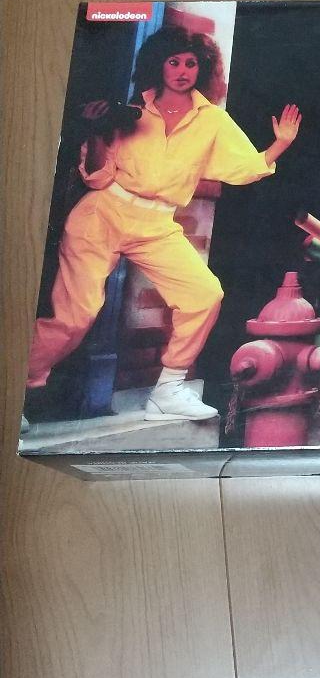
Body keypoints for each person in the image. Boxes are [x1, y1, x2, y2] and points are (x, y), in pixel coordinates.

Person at [24, 25, 302, 423]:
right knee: (75, 316)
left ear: (201, 68)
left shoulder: (212, 120)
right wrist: (98, 131)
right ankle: (20, 387)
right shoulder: (131, 111)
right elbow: (97, 177)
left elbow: (243, 169)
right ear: (159, 64)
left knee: (204, 294)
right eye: (174, 62)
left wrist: (281, 143)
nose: (183, 71)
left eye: (191, 63)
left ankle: (168, 390)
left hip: (157, 223)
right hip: (102, 214)